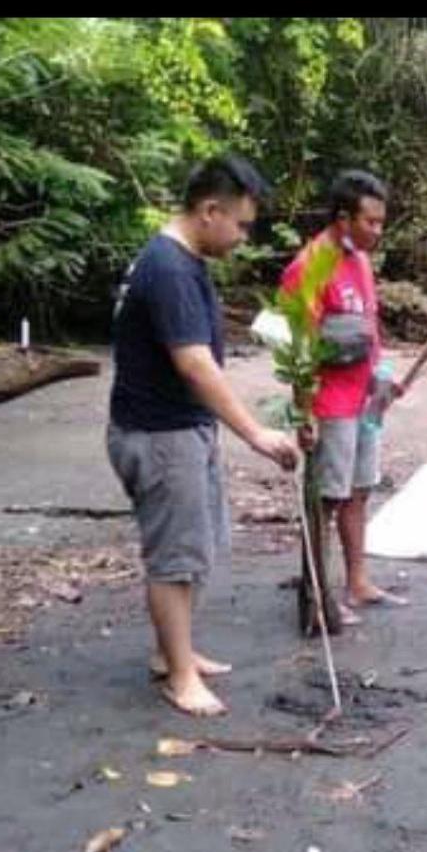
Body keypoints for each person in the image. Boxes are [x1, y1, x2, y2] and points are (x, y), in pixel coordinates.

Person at [106, 155, 300, 718]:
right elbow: (194, 363)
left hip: (180, 429)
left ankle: (175, 653)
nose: (243, 238)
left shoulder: (180, 261)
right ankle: (179, 677)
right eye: (241, 225)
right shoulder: (168, 269)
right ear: (210, 210)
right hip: (160, 435)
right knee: (174, 558)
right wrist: (256, 434)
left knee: (194, 548)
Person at [282, 170, 405, 625]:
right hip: (330, 403)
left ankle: (358, 581)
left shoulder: (361, 260)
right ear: (342, 218)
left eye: (381, 222)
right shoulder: (310, 267)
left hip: (364, 401)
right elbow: (296, 348)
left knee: (359, 489)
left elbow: (369, 326)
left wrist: (383, 378)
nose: (378, 230)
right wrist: (304, 413)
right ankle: (316, 598)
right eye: (370, 222)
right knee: (325, 500)